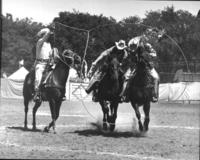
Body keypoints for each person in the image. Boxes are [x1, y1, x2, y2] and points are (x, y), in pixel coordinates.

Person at [120, 29, 161, 103]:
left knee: (156, 78)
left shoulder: (147, 46)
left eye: (134, 47)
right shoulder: (131, 47)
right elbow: (127, 56)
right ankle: (124, 95)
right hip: (134, 66)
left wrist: (148, 55)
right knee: (126, 77)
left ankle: (154, 95)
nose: (133, 49)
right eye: (131, 47)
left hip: (148, 66)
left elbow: (154, 54)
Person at [33, 27, 54, 102]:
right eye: (47, 35)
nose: (48, 36)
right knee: (38, 78)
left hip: (48, 64)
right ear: (43, 35)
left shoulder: (49, 44)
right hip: (40, 64)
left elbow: (51, 54)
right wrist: (49, 31)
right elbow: (45, 37)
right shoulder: (40, 42)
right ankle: (36, 93)